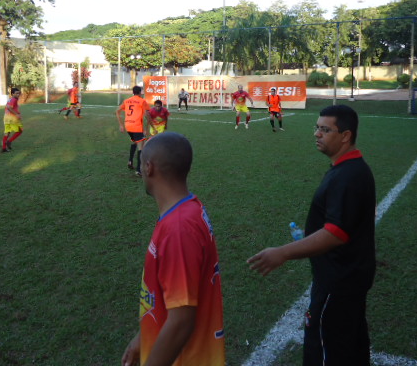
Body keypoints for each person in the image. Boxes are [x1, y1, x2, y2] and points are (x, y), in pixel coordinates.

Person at [248, 105, 376, 366]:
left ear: (345, 136)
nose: (317, 134)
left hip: (338, 281)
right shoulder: (347, 169)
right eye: (317, 128)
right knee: (351, 347)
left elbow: (336, 233)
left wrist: (282, 253)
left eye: (325, 130)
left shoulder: (348, 176)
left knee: (327, 350)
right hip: (346, 276)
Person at [121, 132, 225, 366]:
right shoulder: (187, 208)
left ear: (149, 168)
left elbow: (181, 322)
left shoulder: (178, 229)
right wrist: (143, 337)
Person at [116, 86, 150, 176]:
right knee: (141, 147)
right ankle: (139, 170)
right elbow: (147, 115)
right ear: (140, 92)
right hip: (137, 127)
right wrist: (147, 129)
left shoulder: (126, 101)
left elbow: (117, 111)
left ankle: (130, 161)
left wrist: (121, 125)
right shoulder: (142, 101)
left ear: (133, 92)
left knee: (134, 142)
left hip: (128, 126)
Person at [1, 87, 23, 153]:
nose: (18, 94)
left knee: (7, 132)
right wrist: (17, 114)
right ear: (12, 94)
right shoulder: (14, 99)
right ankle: (9, 141)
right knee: (20, 130)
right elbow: (9, 107)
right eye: (16, 93)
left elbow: (7, 107)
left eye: (18, 93)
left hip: (6, 117)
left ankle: (4, 148)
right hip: (12, 118)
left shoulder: (10, 99)